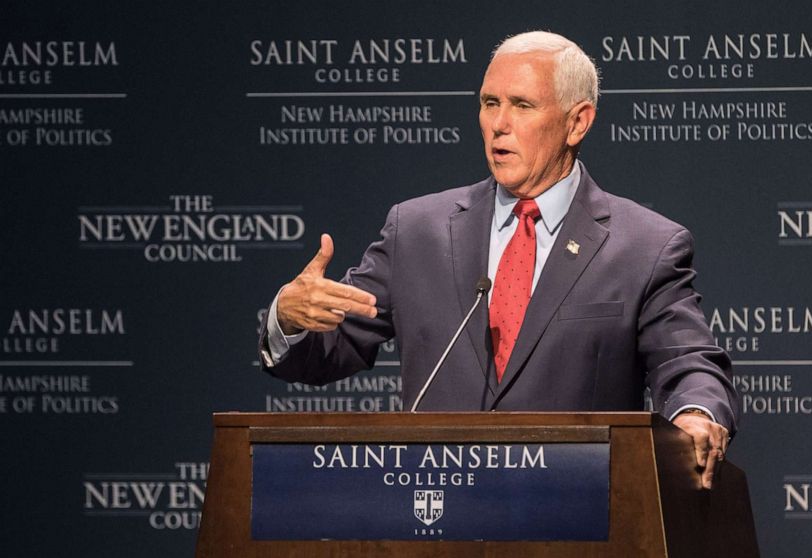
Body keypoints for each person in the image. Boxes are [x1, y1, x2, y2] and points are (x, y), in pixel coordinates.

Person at [259, 31, 739, 489]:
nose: (498, 124)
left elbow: (688, 359)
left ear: (578, 122)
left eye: (522, 106)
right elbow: (328, 351)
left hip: (581, 517)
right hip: (435, 514)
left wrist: (696, 414)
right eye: (490, 103)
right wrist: (288, 317)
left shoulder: (644, 246)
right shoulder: (417, 231)